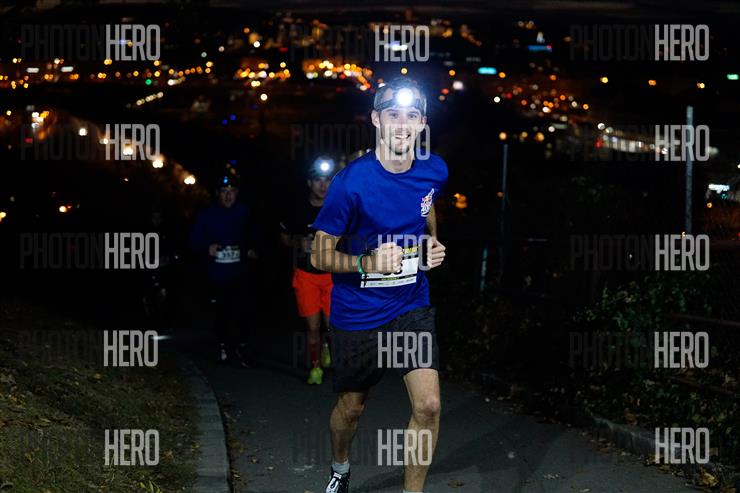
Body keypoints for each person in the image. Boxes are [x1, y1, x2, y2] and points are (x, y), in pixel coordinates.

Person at [311, 78, 448, 493]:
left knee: (429, 405)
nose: (402, 125)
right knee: (352, 408)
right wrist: (366, 262)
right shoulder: (350, 183)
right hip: (358, 312)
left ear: (422, 123)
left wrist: (430, 241)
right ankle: (340, 467)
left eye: (411, 116)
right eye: (393, 115)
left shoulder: (434, 169)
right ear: (376, 120)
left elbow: (427, 205)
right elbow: (319, 256)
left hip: (410, 304)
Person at [189, 173, 258, 365]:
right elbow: (193, 242)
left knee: (242, 310)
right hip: (216, 274)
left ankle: (242, 348)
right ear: (217, 194)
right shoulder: (206, 215)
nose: (228, 196)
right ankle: (222, 346)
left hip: (240, 272)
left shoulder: (244, 212)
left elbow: (255, 235)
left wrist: (252, 249)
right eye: (224, 192)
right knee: (221, 311)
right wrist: (207, 247)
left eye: (232, 191)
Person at [280, 157, 335, 384]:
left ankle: (328, 347)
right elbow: (284, 237)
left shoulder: (338, 207)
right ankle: (315, 367)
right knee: (313, 326)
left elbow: (354, 237)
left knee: (332, 325)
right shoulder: (297, 209)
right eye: (318, 180)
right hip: (306, 275)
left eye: (327, 180)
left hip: (332, 276)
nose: (323, 185)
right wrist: (298, 243)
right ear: (309, 183)